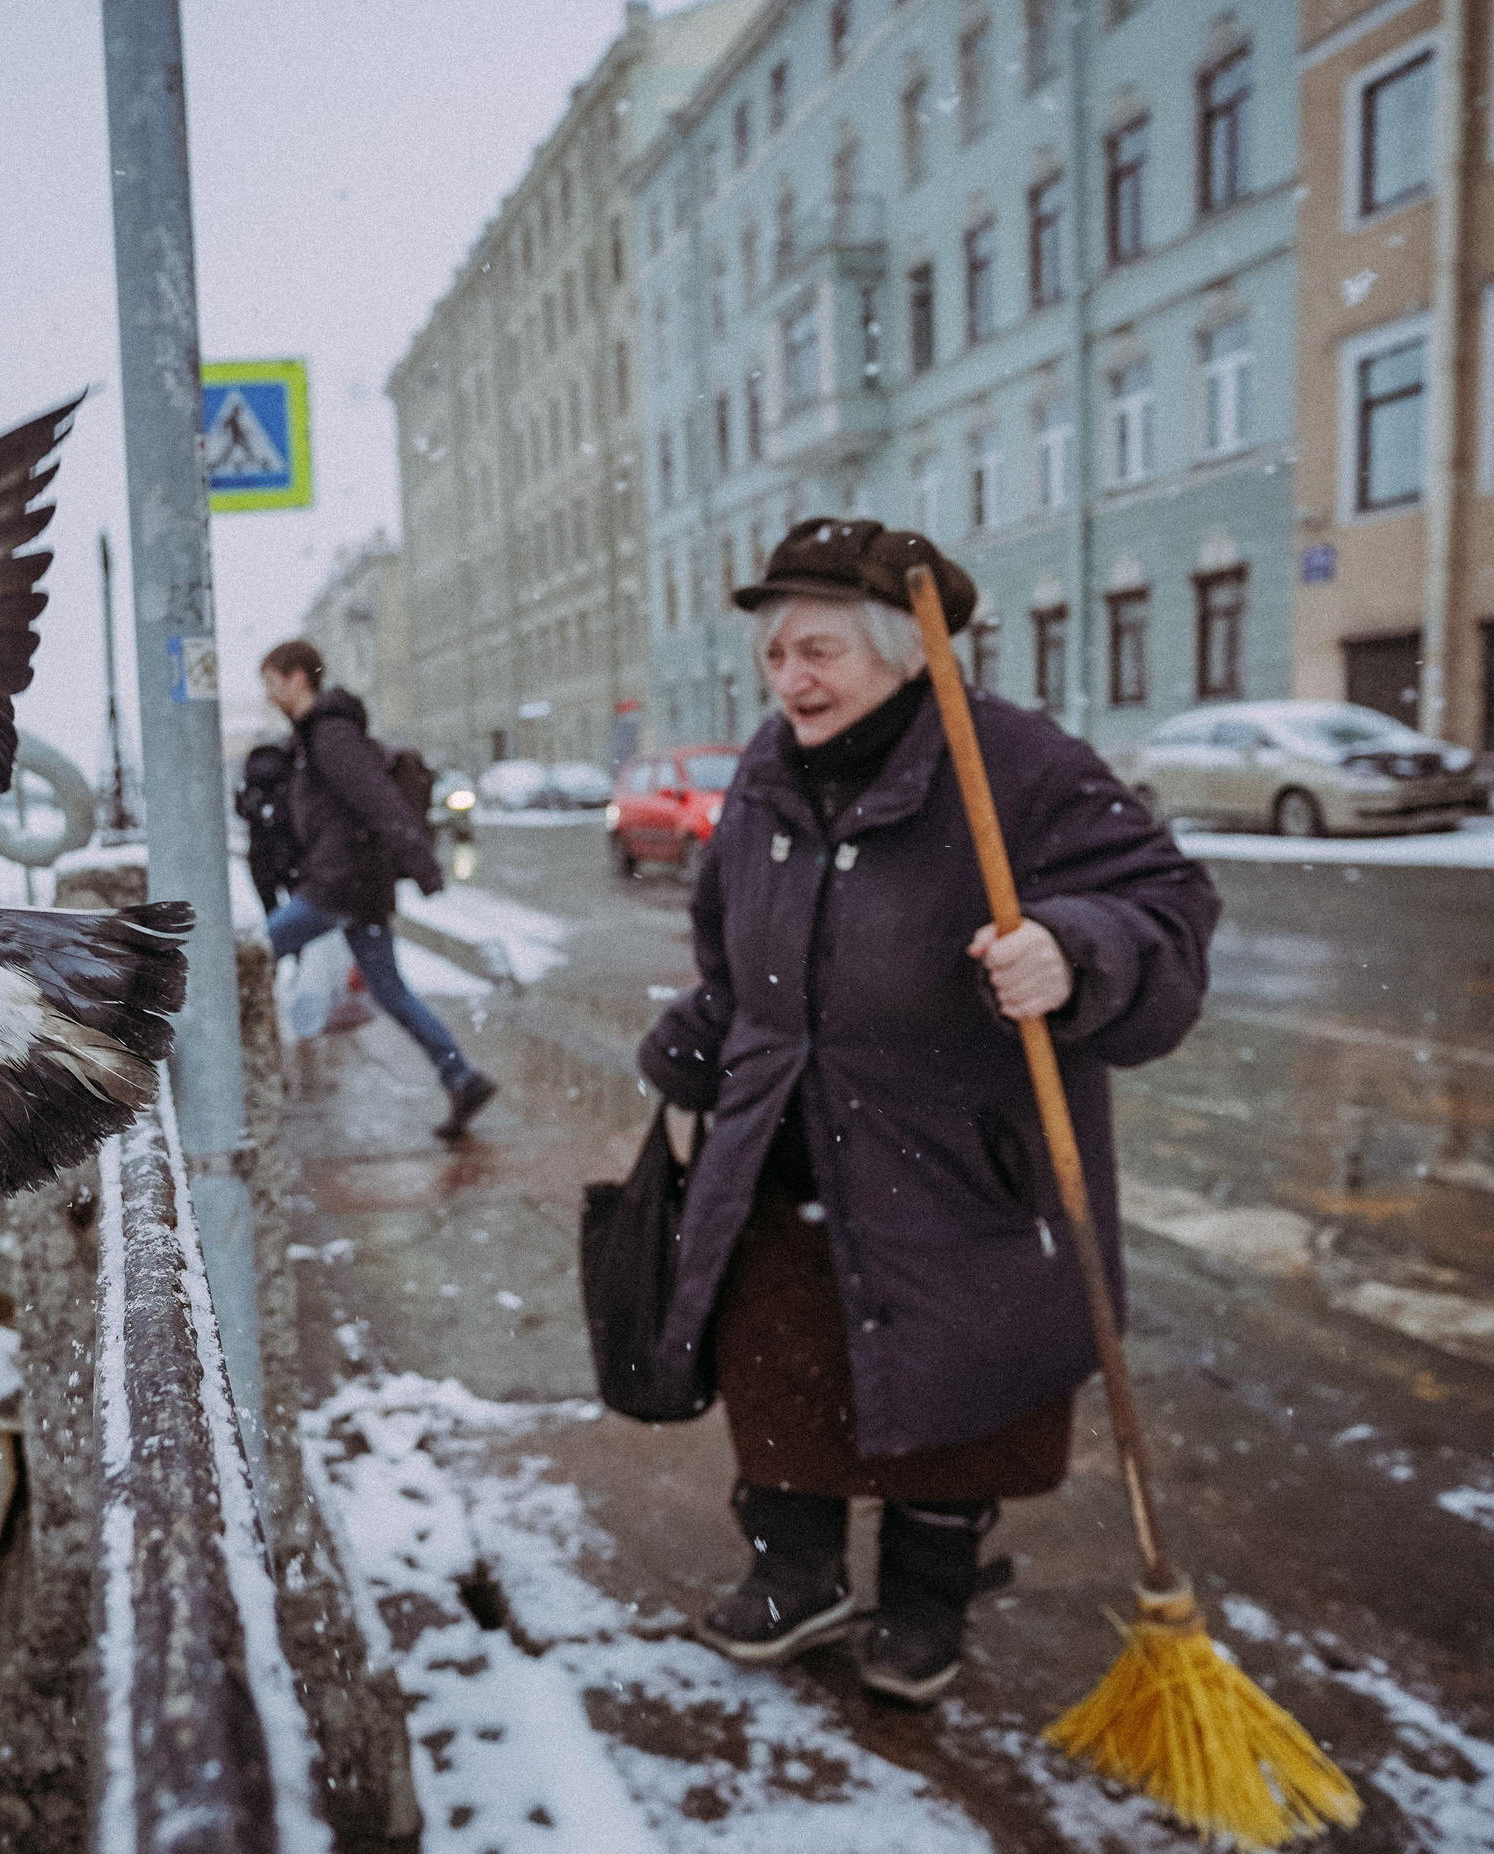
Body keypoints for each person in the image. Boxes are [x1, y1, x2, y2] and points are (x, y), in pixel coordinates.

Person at [637, 519, 1218, 1704]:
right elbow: (728, 946)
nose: (789, 681)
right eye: (775, 655)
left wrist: (1074, 951)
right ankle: (795, 1573)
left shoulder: (1016, 766)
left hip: (956, 1160)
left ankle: (923, 1601)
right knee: (783, 1368)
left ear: (907, 654)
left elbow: (1166, 902)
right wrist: (703, 1042)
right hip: (783, 1146)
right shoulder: (764, 772)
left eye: (819, 654)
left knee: (949, 1394)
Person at [259, 639, 499, 1140]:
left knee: (246, 955)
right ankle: (462, 1077)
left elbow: (378, 801)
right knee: (391, 991)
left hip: (337, 886)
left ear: (298, 677)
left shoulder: (330, 736)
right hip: (354, 887)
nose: (268, 694)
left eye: (272, 682)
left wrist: (422, 862)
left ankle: (220, 1077)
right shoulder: (316, 736)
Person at [235, 741, 299, 918]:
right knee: (296, 907)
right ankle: (290, 940)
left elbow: (241, 809)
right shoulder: (288, 783)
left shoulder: (252, 786)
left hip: (261, 856)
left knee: (271, 910)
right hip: (291, 854)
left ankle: (283, 939)